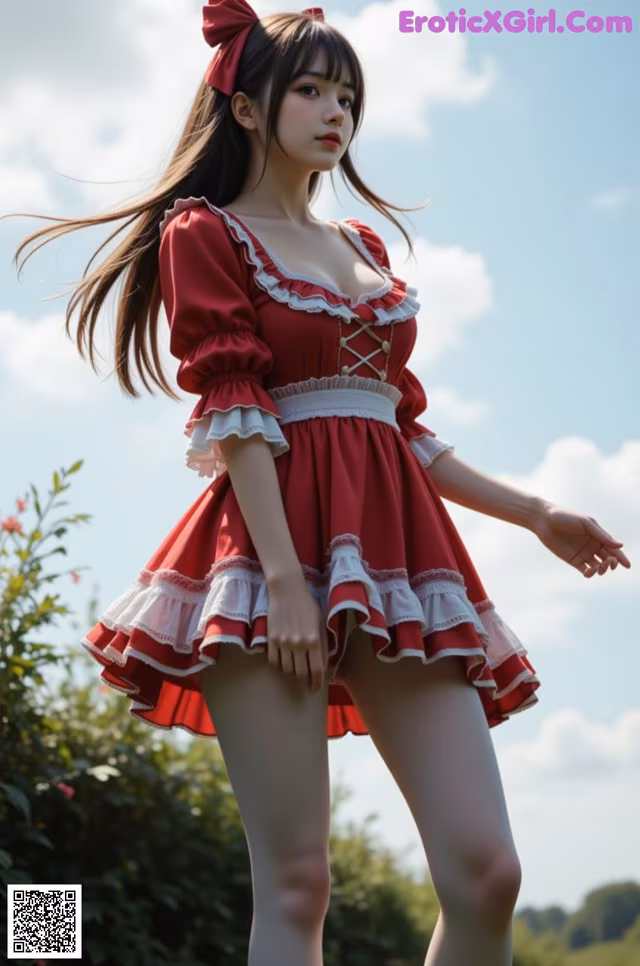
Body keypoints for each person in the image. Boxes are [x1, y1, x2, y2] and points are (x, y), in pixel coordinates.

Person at [4, 2, 631, 963]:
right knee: (298, 883)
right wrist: (290, 583)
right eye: (310, 89)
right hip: (262, 571)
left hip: (399, 562)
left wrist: (536, 510)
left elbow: (399, 432)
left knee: (487, 872)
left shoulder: (366, 254)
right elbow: (236, 411)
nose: (336, 111)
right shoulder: (202, 232)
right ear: (250, 109)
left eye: (348, 95)